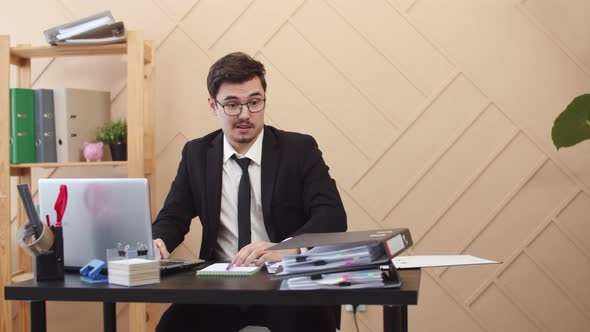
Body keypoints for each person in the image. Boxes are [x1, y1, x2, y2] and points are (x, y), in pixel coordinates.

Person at [152, 52, 347, 332]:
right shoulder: (197, 154)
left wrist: (286, 248)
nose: (245, 114)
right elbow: (173, 216)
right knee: (171, 327)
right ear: (213, 105)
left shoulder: (299, 150)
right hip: (219, 286)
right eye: (232, 105)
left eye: (254, 103)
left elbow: (332, 216)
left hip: (286, 284)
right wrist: (158, 241)